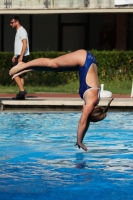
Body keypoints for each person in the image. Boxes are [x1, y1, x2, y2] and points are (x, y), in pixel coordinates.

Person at [9, 49, 113, 151]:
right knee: (52, 63)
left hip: (86, 61)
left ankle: (33, 67)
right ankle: (23, 65)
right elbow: (82, 122)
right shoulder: (91, 102)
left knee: (55, 68)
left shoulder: (93, 102)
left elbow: (86, 122)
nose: (82, 112)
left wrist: (80, 140)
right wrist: (79, 140)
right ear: (90, 111)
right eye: (85, 113)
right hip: (84, 58)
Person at [10, 15, 30, 100]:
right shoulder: (19, 31)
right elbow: (20, 45)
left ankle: (22, 91)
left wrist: (20, 56)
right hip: (20, 55)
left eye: (12, 22)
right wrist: (15, 55)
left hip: (22, 56)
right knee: (20, 75)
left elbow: (25, 44)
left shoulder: (22, 31)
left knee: (13, 73)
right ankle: (22, 95)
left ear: (17, 22)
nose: (10, 24)